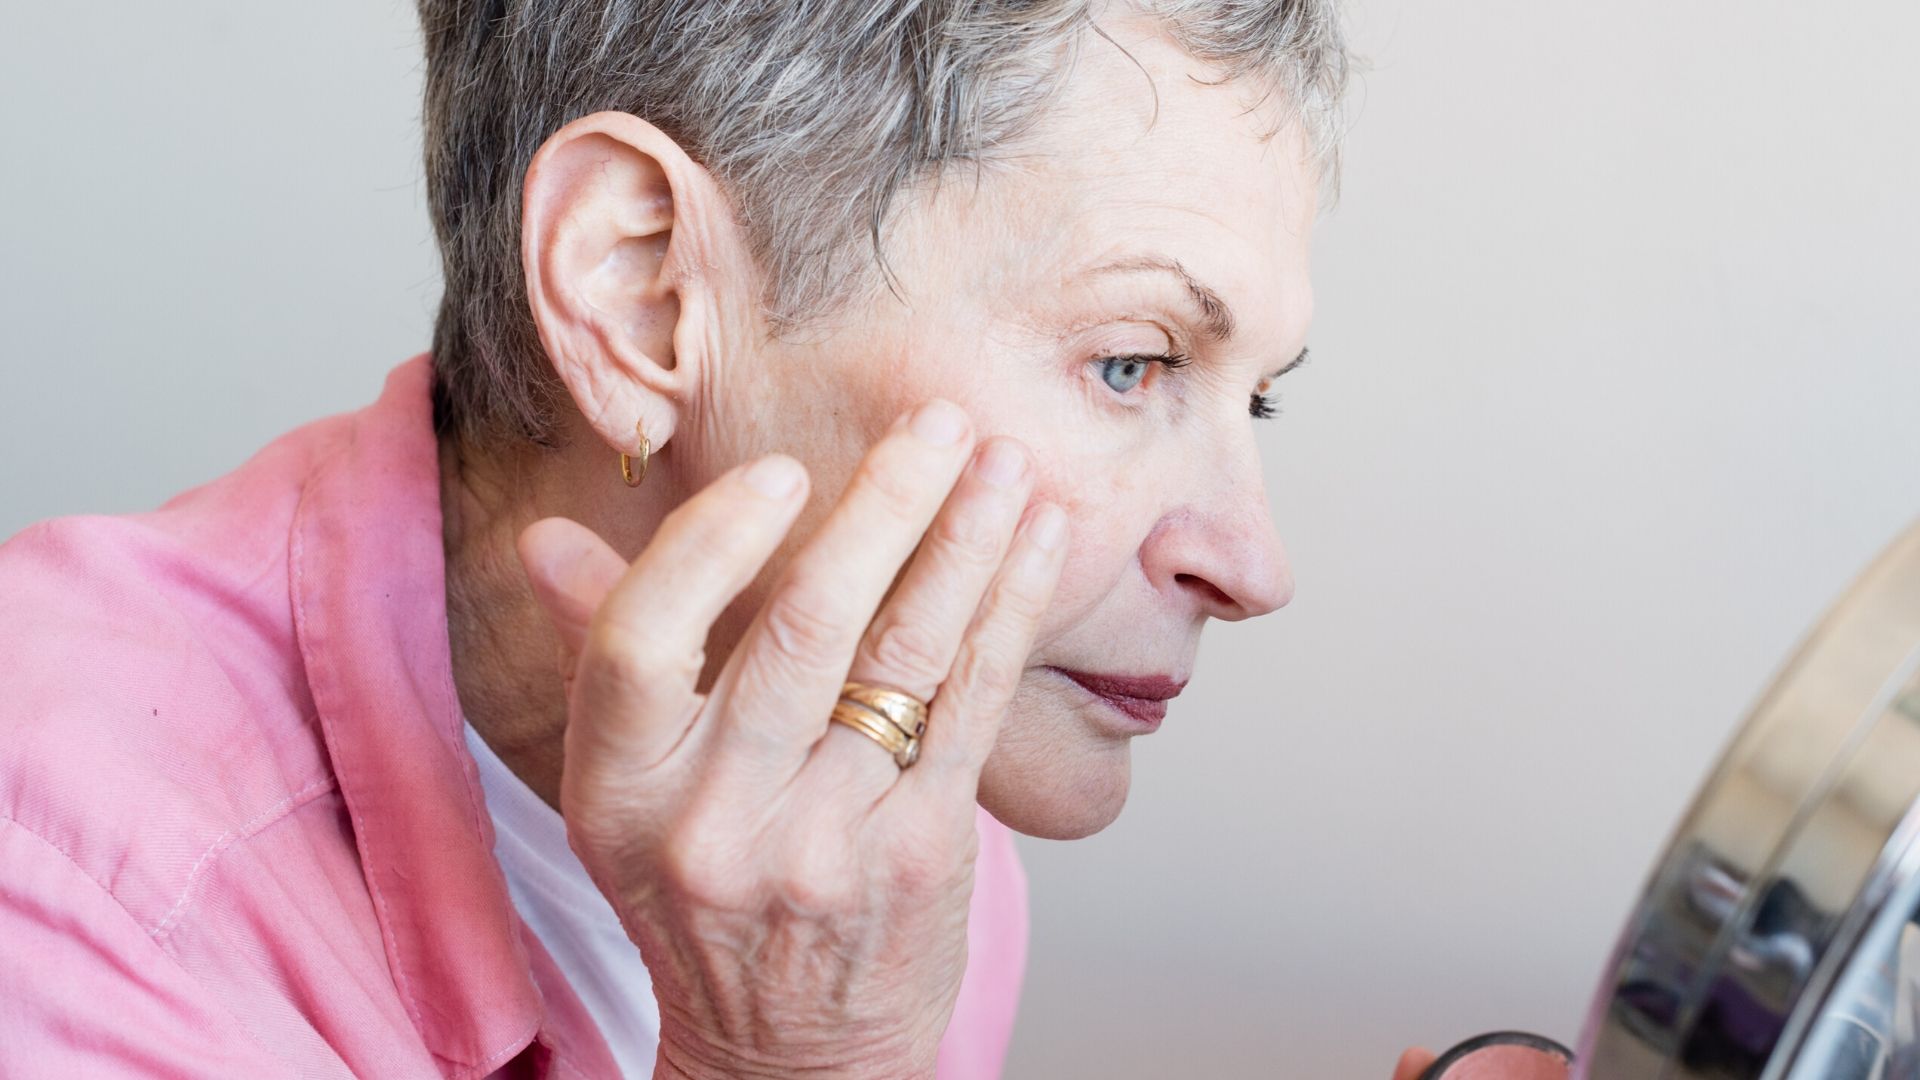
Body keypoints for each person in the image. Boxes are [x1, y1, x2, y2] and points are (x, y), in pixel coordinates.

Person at [0, 2, 1505, 1077]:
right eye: (1132, 361)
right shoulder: (68, 903)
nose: (1255, 564)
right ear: (642, 292)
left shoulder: (889, 805)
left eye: (1262, 399)